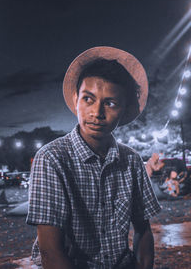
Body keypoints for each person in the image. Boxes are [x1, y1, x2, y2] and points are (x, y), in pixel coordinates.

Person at [27, 47, 161, 269]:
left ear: (124, 109)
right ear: (75, 99)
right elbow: (50, 251)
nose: (97, 113)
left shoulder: (132, 161)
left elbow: (143, 230)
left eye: (110, 103)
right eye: (88, 99)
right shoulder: (52, 158)